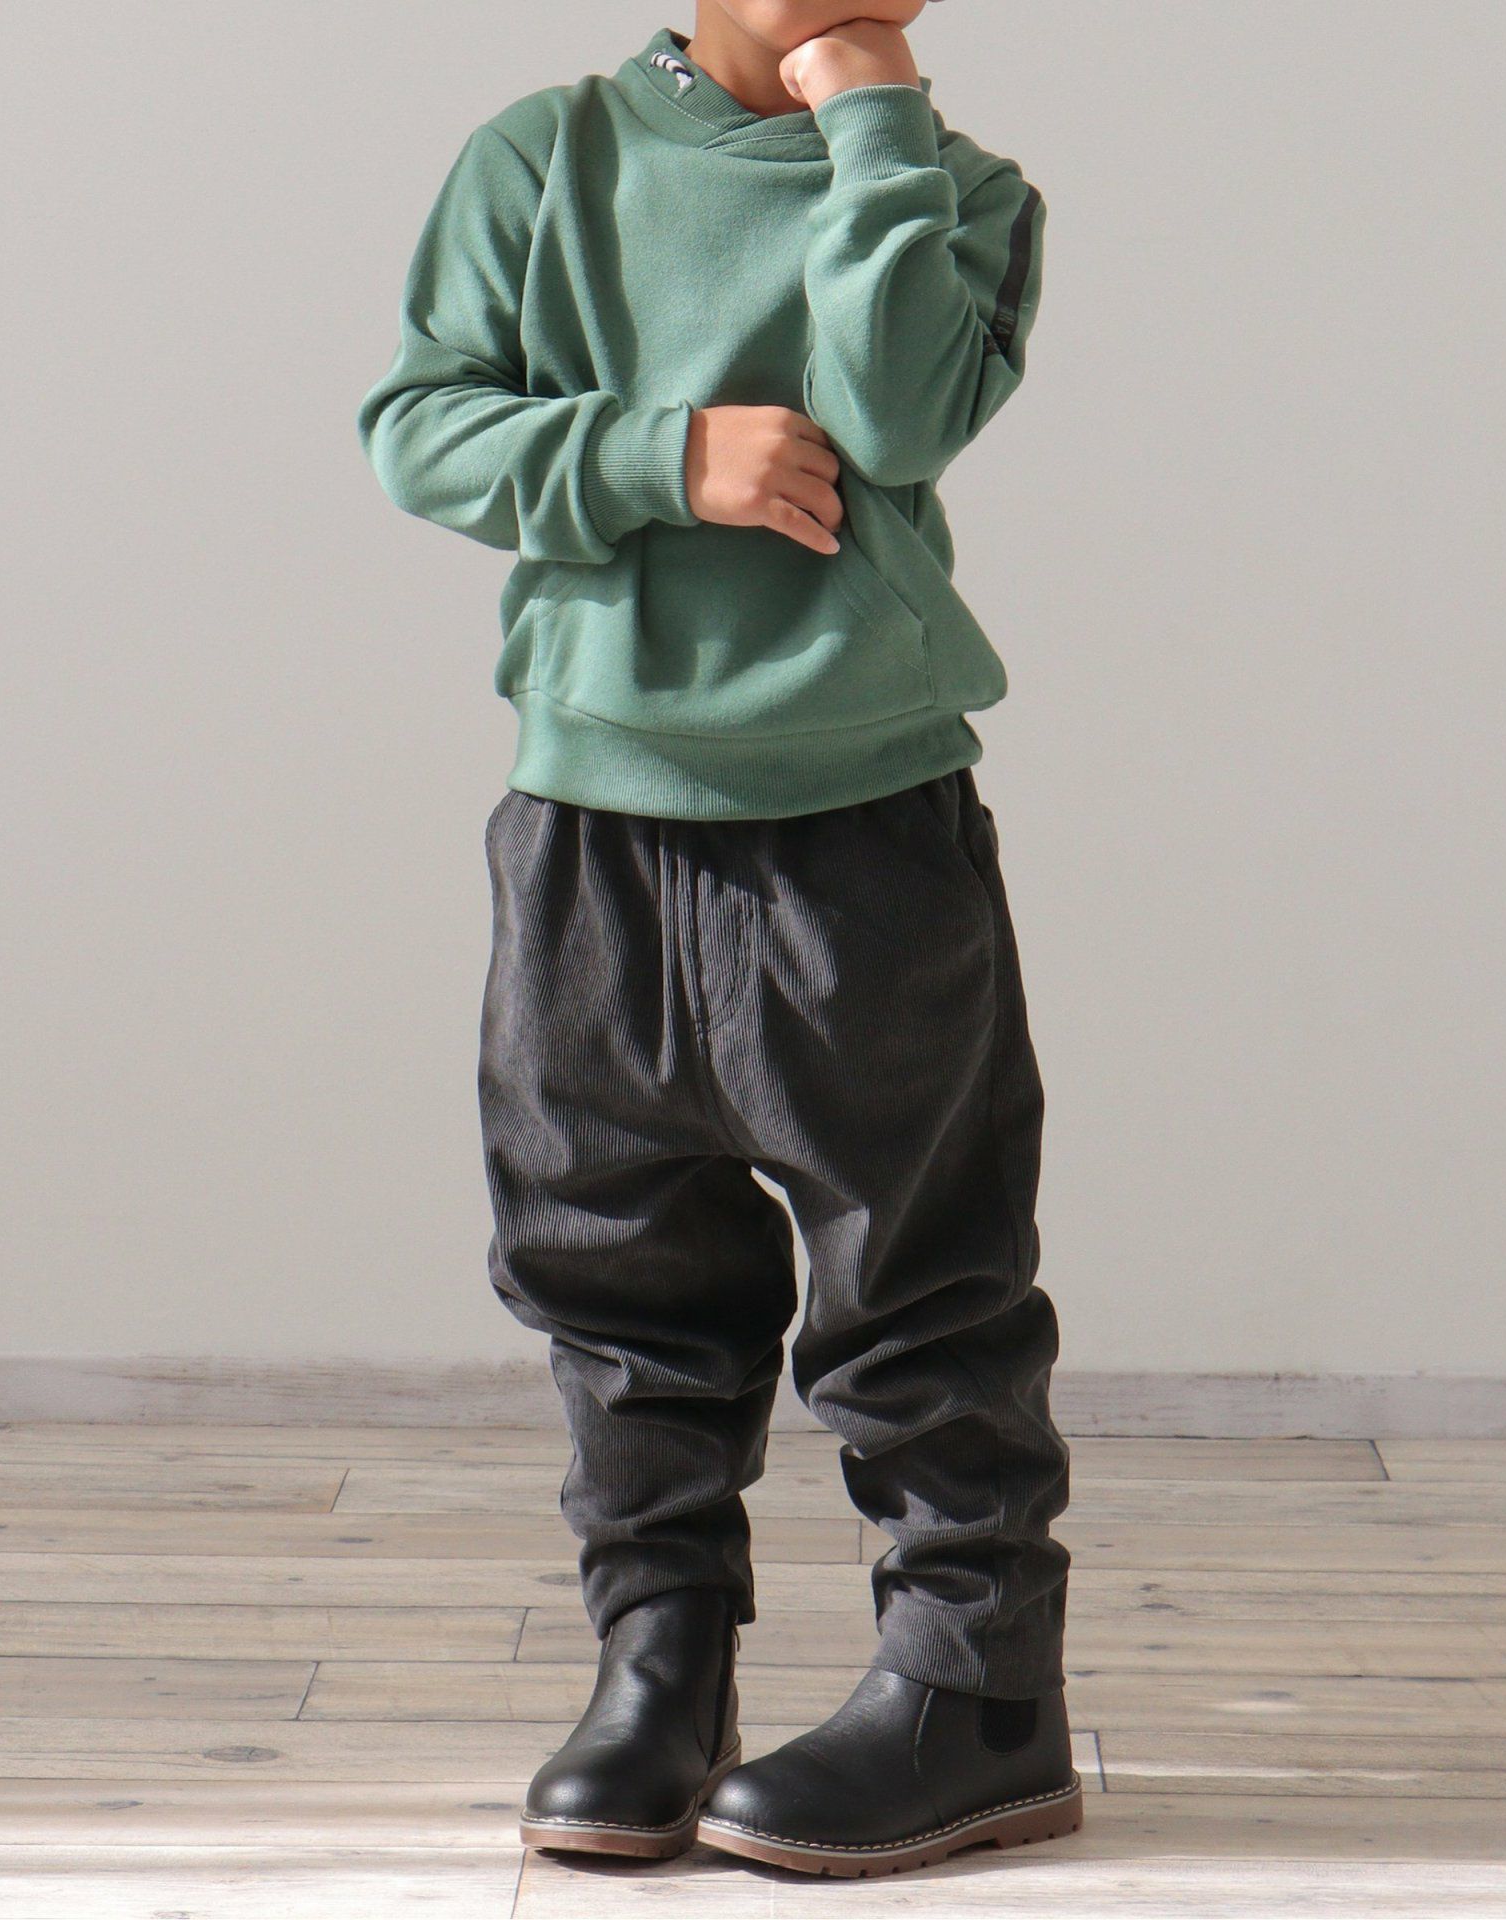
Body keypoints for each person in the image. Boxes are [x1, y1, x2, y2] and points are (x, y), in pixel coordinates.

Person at [357, 1, 1077, 1879]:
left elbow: (900, 411)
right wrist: (663, 458)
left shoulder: (961, 193)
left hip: (862, 826)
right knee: (612, 1266)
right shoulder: (546, 157)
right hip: (591, 813)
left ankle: (982, 1697)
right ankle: (659, 1666)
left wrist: (874, 125)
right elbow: (421, 425)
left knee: (917, 1273)